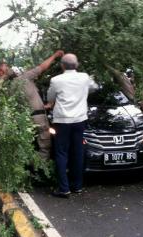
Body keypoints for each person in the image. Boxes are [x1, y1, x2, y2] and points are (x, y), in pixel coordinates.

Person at [0, 50, 65, 160]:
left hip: (24, 121)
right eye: (4, 66)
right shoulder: (22, 78)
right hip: (36, 119)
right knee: (44, 147)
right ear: (0, 72)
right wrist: (54, 56)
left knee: (28, 147)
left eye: (7, 65)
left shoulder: (9, 86)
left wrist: (43, 106)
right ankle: (40, 169)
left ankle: (30, 168)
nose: (8, 67)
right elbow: (42, 67)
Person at [46, 54, 96, 198]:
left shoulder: (56, 80)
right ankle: (77, 186)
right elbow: (94, 87)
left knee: (61, 153)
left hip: (62, 121)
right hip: (80, 120)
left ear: (62, 65)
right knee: (78, 152)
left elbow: (50, 98)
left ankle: (64, 188)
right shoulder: (84, 77)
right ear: (77, 64)